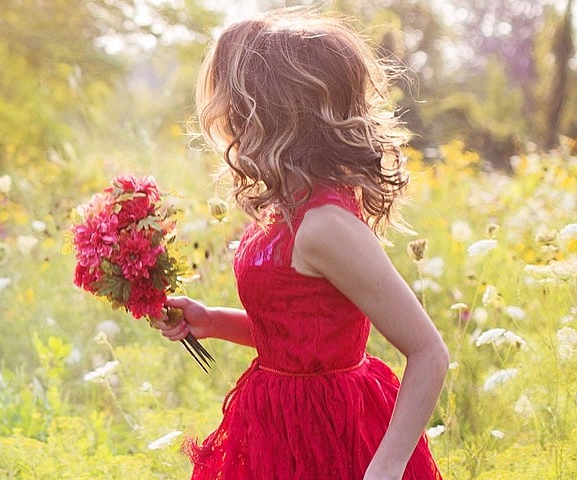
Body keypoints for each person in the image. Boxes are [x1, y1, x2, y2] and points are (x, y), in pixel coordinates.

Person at [151, 8, 448, 480]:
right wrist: (211, 321)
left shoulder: (325, 222)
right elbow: (299, 338)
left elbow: (429, 352)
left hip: (335, 434)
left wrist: (385, 470)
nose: (228, 120)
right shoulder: (282, 208)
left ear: (272, 113)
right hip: (276, 427)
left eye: (235, 105)